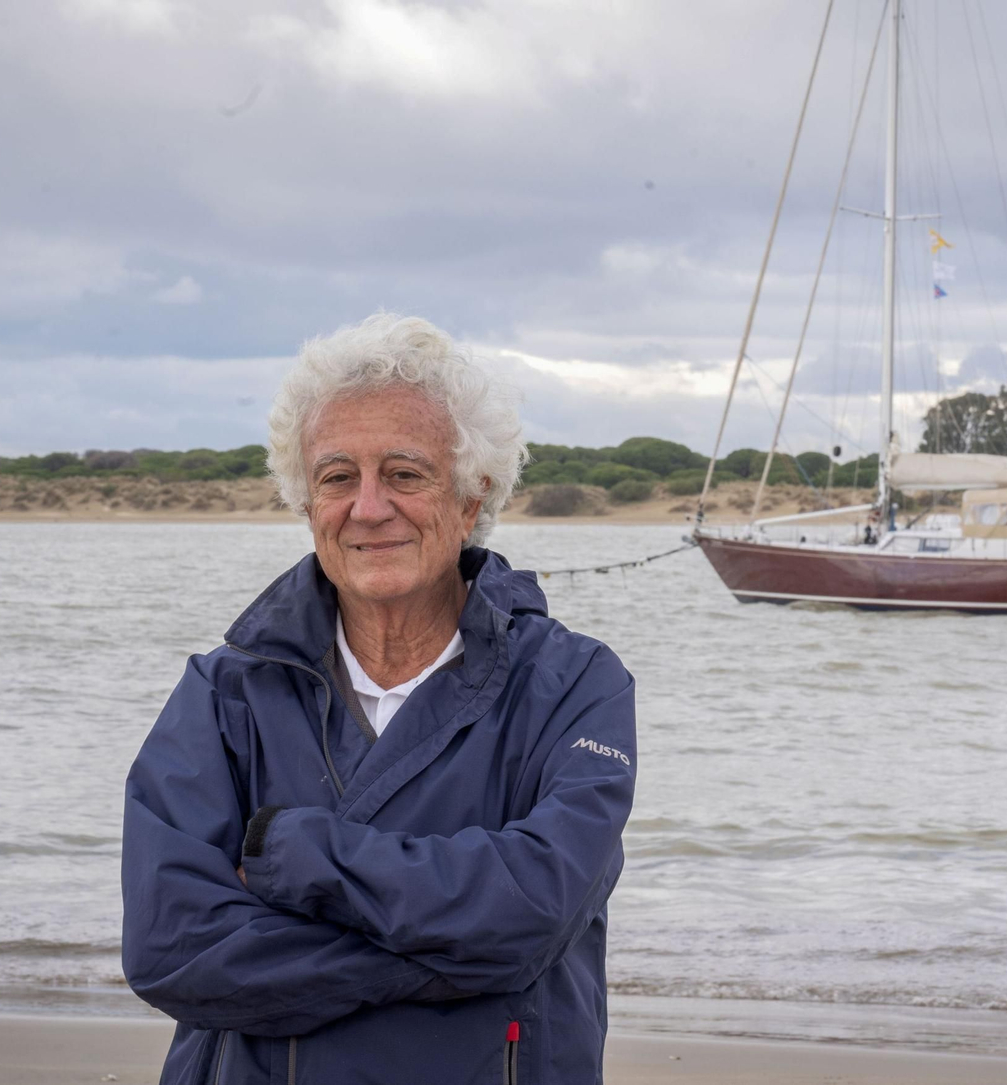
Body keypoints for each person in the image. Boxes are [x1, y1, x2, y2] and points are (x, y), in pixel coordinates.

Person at [121, 314, 637, 1084]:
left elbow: (533, 908)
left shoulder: (575, 685)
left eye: (404, 472)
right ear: (307, 503)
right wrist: (458, 962)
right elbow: (174, 948)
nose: (367, 507)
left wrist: (290, 853)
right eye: (337, 477)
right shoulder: (226, 692)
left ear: (470, 498)